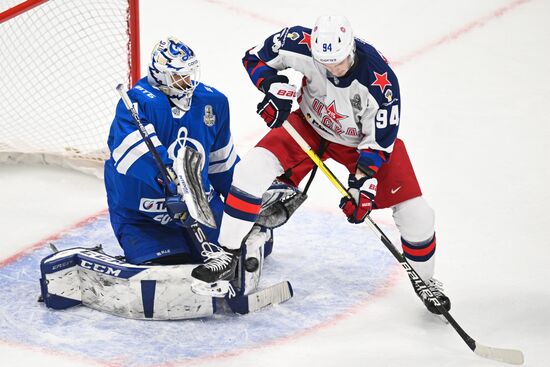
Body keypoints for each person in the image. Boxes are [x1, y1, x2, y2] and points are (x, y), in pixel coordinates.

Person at [191, 16, 451, 314]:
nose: (331, 70)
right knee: (251, 168)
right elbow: (253, 57)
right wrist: (274, 88)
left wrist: (362, 188)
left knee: (417, 213)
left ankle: (425, 279)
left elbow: (378, 144)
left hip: (360, 145)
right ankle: (227, 254)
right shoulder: (299, 43)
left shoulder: (380, 83)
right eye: (324, 63)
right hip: (307, 127)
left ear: (351, 49)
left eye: (338, 63)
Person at [104, 36, 242, 266]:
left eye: (189, 74)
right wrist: (171, 181)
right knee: (170, 265)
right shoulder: (138, 101)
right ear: (160, 74)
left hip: (200, 205)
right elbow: (130, 153)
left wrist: (242, 198)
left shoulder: (212, 102)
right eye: (179, 76)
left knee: (240, 249)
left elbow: (221, 164)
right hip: (145, 213)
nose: (187, 81)